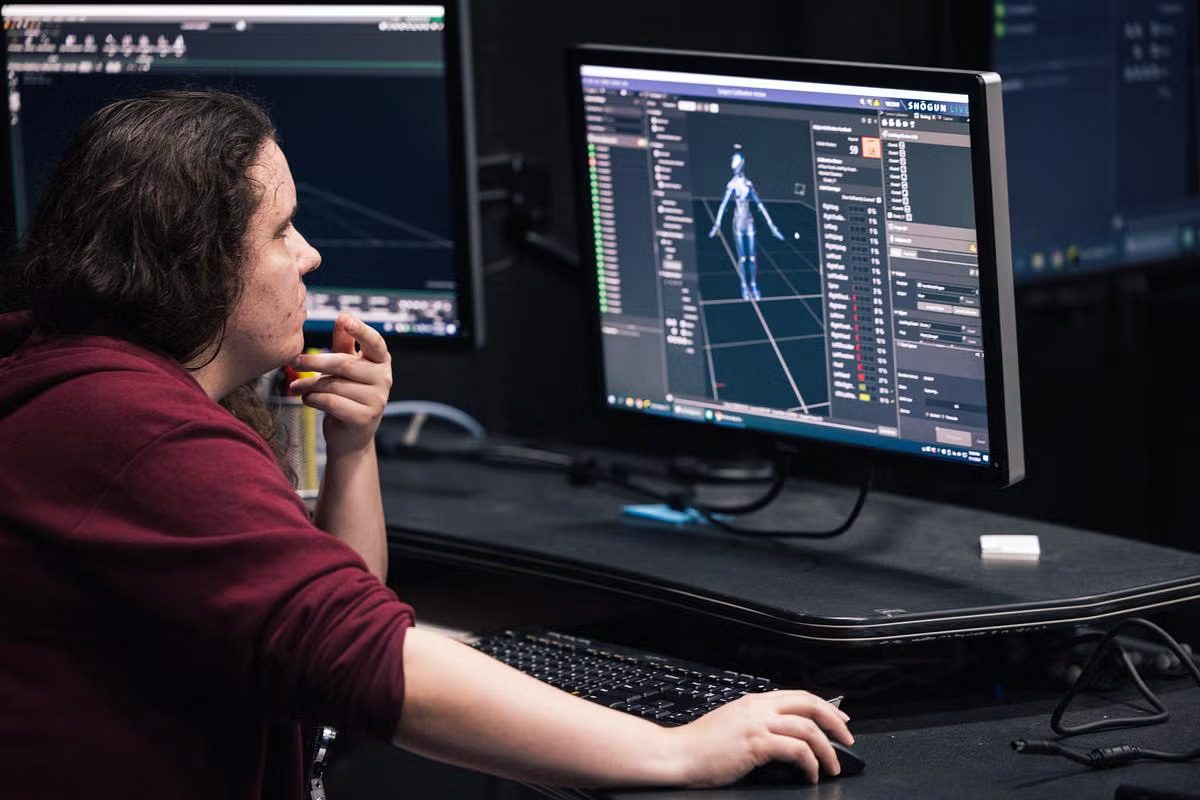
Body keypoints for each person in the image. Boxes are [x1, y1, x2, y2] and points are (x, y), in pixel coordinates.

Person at [0, 91, 853, 798]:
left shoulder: (85, 374)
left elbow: (326, 621)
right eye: (280, 232)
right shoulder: (131, 430)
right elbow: (364, 661)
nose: (311, 254)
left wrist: (355, 449)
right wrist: (676, 748)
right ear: (195, 264)